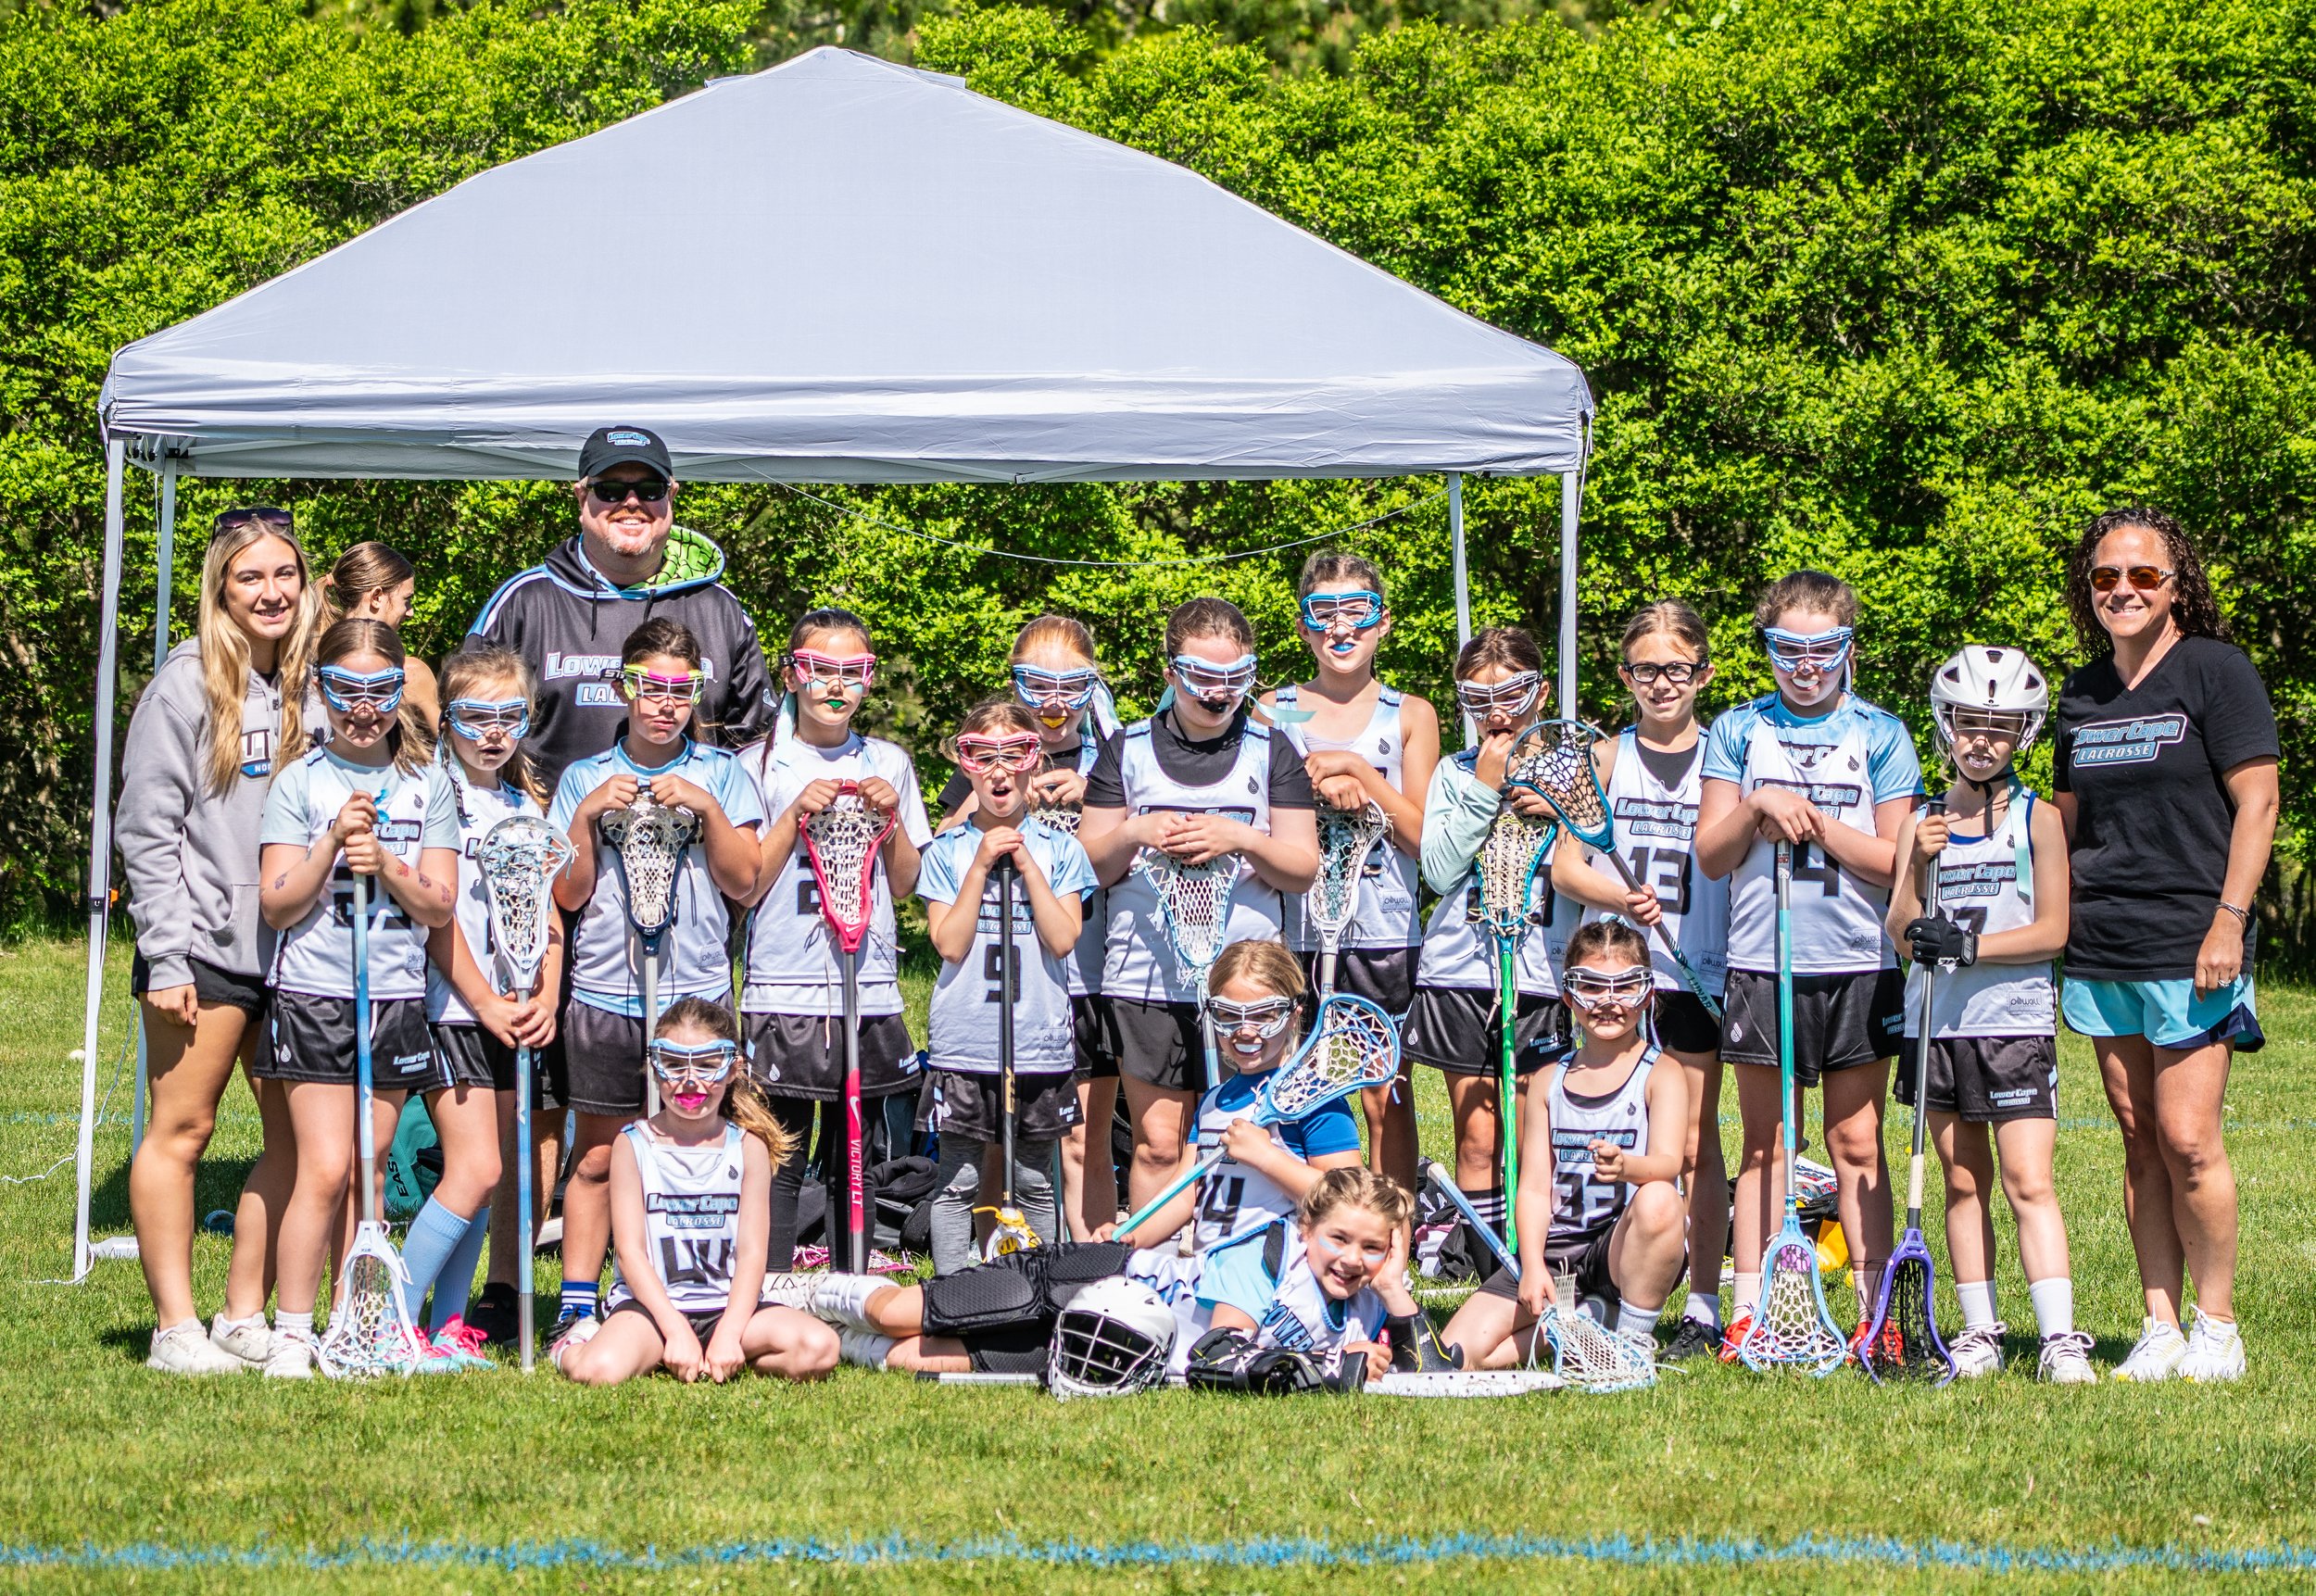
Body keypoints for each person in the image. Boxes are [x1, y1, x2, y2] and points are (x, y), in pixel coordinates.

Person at [2054, 508, 2278, 1384]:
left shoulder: (2217, 672)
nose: (2123, 590)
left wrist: (2230, 918)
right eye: (2107, 576)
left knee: (2189, 1137)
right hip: (2102, 939)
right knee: (2138, 1136)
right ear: (2090, 588)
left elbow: (2257, 804)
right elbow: (2065, 824)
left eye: (2143, 576)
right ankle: (2159, 1325)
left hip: (2192, 938)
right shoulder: (2079, 694)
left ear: (2175, 583)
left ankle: (2217, 1325)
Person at [117, 506, 323, 1374]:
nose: (270, 592)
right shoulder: (185, 685)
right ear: (221, 590)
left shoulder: (319, 685)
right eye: (251, 577)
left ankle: (243, 1316)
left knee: (295, 1144)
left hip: (297, 949)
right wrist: (167, 954)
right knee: (184, 1129)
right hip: (203, 949)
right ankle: (174, 1328)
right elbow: (146, 829)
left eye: (284, 574)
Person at [1694, 570, 1920, 1357]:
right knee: (1768, 1144)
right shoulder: (1737, 729)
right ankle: (1751, 1306)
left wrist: (1816, 821)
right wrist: (1757, 805)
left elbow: (1898, 860)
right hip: (1764, 961)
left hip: (1856, 962)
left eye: (1824, 647)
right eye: (1787, 648)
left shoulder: (1881, 732)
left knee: (1856, 1141)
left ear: (1848, 645)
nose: (1806, 664)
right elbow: (1711, 854)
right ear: (1766, 649)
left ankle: (1874, 1305)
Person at [548, 619, 764, 1350]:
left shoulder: (724, 772)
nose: (665, 704)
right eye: (650, 687)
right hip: (607, 990)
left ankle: (695, 1290)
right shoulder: (584, 776)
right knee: (601, 1154)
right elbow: (571, 894)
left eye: (681, 690)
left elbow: (746, 879)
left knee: (697, 1144)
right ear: (623, 688)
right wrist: (584, 816)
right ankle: (578, 1301)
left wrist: (705, 808)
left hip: (695, 997)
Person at [253, 619, 459, 1378]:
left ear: (399, 691)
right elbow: (277, 903)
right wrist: (331, 845)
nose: (363, 707)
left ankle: (356, 1319)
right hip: (315, 992)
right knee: (325, 1167)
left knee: (369, 1166)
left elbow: (438, 905)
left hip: (395, 994)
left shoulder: (426, 784)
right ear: (320, 691)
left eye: (380, 690)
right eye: (346, 690)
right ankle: (292, 1330)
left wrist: (391, 865)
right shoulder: (300, 783)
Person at [1886, 647, 2092, 1383]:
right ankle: (1979, 1331)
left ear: (2022, 735)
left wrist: (1970, 945)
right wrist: (1917, 865)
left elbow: (2054, 931)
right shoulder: (1922, 820)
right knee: (1961, 1179)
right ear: (1947, 725)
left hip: (2013, 1021)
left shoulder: (2037, 819)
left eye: (2000, 728)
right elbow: (1899, 928)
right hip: (1935, 1025)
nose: (1983, 739)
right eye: (1971, 723)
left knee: (2027, 1179)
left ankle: (2060, 1336)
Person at [1079, 598, 1319, 1214]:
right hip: (1146, 975)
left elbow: (1301, 866)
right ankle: (1152, 1280)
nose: (1218, 693)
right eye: (1201, 677)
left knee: (1248, 1136)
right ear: (1170, 673)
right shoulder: (1126, 749)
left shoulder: (1272, 750)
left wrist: (1238, 836)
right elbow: (1090, 865)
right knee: (1160, 1145)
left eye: (1235, 678)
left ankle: (1244, 1263)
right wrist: (1137, 831)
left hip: (1247, 982)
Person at [812, 1165, 1432, 1392]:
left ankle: (827, 1339)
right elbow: (1223, 1354)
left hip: (1113, 1346)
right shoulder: (1266, 1250)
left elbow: (1434, 1375)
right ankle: (807, 1293)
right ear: (1306, 1229)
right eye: (1340, 1239)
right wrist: (1332, 1370)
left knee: (915, 1359)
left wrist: (1396, 1292)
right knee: (898, 1312)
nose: (1353, 1258)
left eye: (1372, 1246)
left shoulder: (1370, 1301)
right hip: (1084, 1280)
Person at [1549, 601, 1730, 1360]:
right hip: (1616, 978)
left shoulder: (1727, 753)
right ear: (1625, 677)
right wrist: (1617, 897)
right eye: (1646, 670)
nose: (1662, 683)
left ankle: (1705, 1300)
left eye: (1677, 669)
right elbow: (1562, 865)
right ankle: (1611, 1273)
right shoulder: (1605, 759)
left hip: (1699, 971)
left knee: (1692, 1139)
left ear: (1703, 674)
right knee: (1604, 1132)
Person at [738, 609, 930, 1268]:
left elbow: (905, 882)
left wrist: (893, 817)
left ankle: (852, 1274)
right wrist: (795, 813)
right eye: (821, 670)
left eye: (853, 672)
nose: (835, 686)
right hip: (785, 978)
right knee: (782, 1144)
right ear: (792, 673)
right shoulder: (758, 763)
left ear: (870, 681)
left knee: (859, 1147)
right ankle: (768, 1280)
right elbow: (747, 882)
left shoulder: (890, 762)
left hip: (867, 982)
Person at [933, 617, 1125, 1241]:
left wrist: (1091, 791)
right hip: (997, 986)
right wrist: (1010, 799)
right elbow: (947, 838)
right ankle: (988, 1266)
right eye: (1038, 683)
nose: (1054, 702)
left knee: (1076, 1141)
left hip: (1092, 965)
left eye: (1073, 685)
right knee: (987, 1149)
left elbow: (1143, 826)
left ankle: (1079, 1264)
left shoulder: (1112, 749)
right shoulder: (995, 746)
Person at [1403, 626, 1583, 1269]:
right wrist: (1484, 784)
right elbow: (1441, 868)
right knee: (1477, 1129)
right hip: (1461, 967)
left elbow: (1593, 857)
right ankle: (1476, 1254)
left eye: (1511, 692)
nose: (1498, 711)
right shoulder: (1455, 772)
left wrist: (1559, 809)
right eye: (1478, 699)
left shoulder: (1573, 768)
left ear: (1539, 689)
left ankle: (1534, 1248)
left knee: (1531, 1118)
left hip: (1540, 969)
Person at [462, 425, 773, 794]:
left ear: (671, 495)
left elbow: (757, 747)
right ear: (581, 497)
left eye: (649, 490)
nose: (630, 503)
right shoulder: (524, 601)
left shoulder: (720, 609)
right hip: (554, 841)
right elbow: (465, 728)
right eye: (609, 490)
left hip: (693, 843)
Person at [1261, 553, 1438, 1190]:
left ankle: (1394, 1226)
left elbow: (1425, 839)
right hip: (1297, 929)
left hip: (1384, 928)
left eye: (1357, 612)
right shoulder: (1271, 708)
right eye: (1323, 613)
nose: (1341, 628)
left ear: (1383, 623)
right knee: (1296, 1077)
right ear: (1305, 626)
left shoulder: (1409, 713)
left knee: (1382, 1088)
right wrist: (1314, 789)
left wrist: (1361, 776)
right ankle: (1312, 1213)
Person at [1440, 921, 1690, 1367]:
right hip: (1556, 1253)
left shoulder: (1661, 1073)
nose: (1608, 1002)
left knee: (1660, 1201)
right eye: (1592, 988)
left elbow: (1668, 1165)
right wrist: (1533, 1265)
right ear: (1569, 996)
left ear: (1647, 994)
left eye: (1623, 987)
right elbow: (1534, 1187)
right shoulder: (1548, 1080)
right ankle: (1583, 1320)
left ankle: (1628, 1344)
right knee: (1461, 1352)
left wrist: (1627, 1167)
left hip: (1621, 1250)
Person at [555, 999, 839, 1386]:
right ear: (655, 1069)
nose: (691, 1081)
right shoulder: (632, 1144)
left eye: (707, 1065)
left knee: (819, 1348)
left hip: (730, 1308)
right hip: (652, 1312)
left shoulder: (748, 1147)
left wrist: (727, 1333)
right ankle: (576, 1340)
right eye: (675, 1065)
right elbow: (630, 1253)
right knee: (597, 1371)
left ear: (733, 1069)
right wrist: (674, 1330)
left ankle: (720, 1355)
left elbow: (753, 1253)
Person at [409, 648, 562, 1364]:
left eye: (511, 716)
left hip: (512, 1013)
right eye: (477, 716)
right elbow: (437, 922)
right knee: (477, 1170)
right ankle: (388, 1316)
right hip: (454, 1011)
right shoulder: (431, 797)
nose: (495, 732)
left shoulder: (525, 805)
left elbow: (549, 916)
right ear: (447, 720)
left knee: (486, 1172)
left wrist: (545, 994)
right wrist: (482, 1000)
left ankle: (445, 1327)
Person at [916, 700, 1099, 1274]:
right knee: (961, 1178)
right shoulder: (946, 852)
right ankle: (953, 1291)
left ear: (1033, 761)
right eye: (982, 756)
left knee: (1033, 1179)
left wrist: (1027, 867)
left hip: (1039, 1043)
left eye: (1013, 756)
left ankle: (1034, 1292)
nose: (999, 771)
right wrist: (978, 866)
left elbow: (1064, 937)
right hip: (966, 1043)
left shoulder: (1061, 849)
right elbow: (948, 942)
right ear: (965, 766)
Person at [1110, 939, 1363, 1251]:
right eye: (1228, 1015)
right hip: (1210, 1270)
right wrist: (1133, 1236)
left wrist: (1266, 1157)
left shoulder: (1313, 1099)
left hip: (1280, 1275)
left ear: (1294, 1015)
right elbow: (1185, 1193)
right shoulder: (1213, 1103)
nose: (1244, 1031)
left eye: (1263, 1015)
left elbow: (1348, 1201)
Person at [326, 541, 438, 730]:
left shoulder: (310, 663)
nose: (410, 612)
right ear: (377, 597)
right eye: (407, 599)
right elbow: (450, 750)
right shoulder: (410, 673)